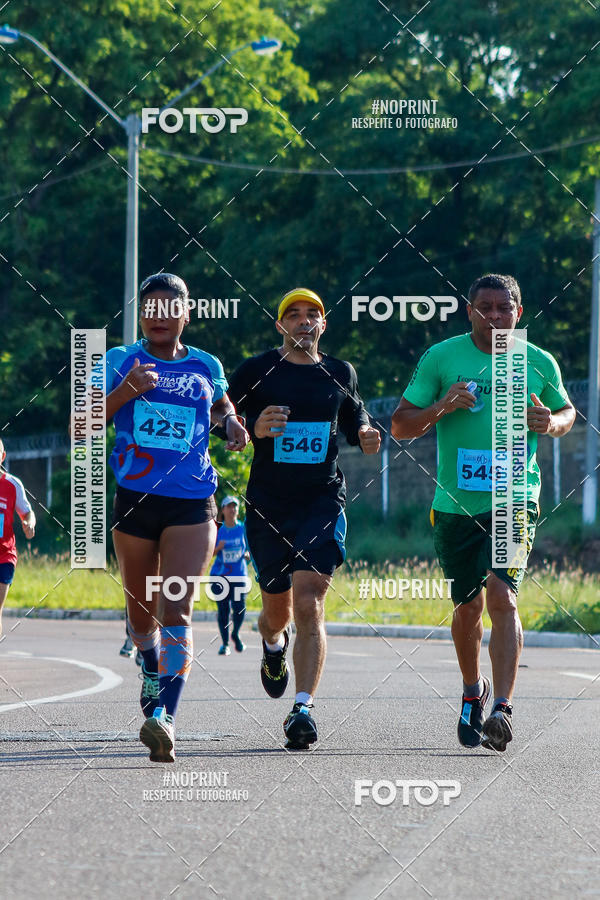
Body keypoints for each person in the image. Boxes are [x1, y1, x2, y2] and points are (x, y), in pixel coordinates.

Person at [391, 273, 575, 751]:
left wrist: (550, 423)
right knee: (467, 607)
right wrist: (442, 406)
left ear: (518, 311)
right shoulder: (441, 357)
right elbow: (400, 426)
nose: (495, 316)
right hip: (454, 506)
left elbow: (567, 412)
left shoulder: (537, 362)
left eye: (504, 308)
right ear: (469, 311)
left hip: (517, 497)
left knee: (502, 594)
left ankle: (503, 709)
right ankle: (474, 691)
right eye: (485, 307)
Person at [226, 287, 381, 749]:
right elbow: (220, 417)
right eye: (292, 315)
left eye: (312, 314)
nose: (302, 321)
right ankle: (274, 647)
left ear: (323, 324)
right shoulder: (256, 370)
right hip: (268, 505)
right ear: (280, 325)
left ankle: (303, 708)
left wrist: (367, 433)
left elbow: (356, 419)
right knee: (276, 613)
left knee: (309, 599)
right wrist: (250, 428)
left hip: (322, 499)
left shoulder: (339, 372)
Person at [103, 273, 248, 762]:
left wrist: (231, 423)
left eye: (171, 307)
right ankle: (147, 660)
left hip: (192, 500)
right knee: (142, 614)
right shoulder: (119, 360)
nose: (160, 316)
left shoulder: (205, 364)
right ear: (141, 314)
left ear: (187, 314)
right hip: (136, 498)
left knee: (177, 609)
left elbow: (223, 407)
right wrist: (124, 392)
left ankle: (165, 716)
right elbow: (78, 424)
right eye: (151, 307)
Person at [0, 440, 36, 638]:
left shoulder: (12, 484)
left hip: (4, 556)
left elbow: (28, 512)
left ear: (2, 456)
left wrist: (29, 524)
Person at [209, 495, 250, 655]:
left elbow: (250, 549)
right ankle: (225, 643)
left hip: (239, 576)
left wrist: (247, 554)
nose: (232, 509)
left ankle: (235, 634)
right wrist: (218, 548)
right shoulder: (218, 530)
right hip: (220, 577)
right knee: (224, 610)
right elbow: (208, 553)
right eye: (229, 506)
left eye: (235, 506)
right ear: (223, 510)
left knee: (240, 609)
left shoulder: (243, 529)